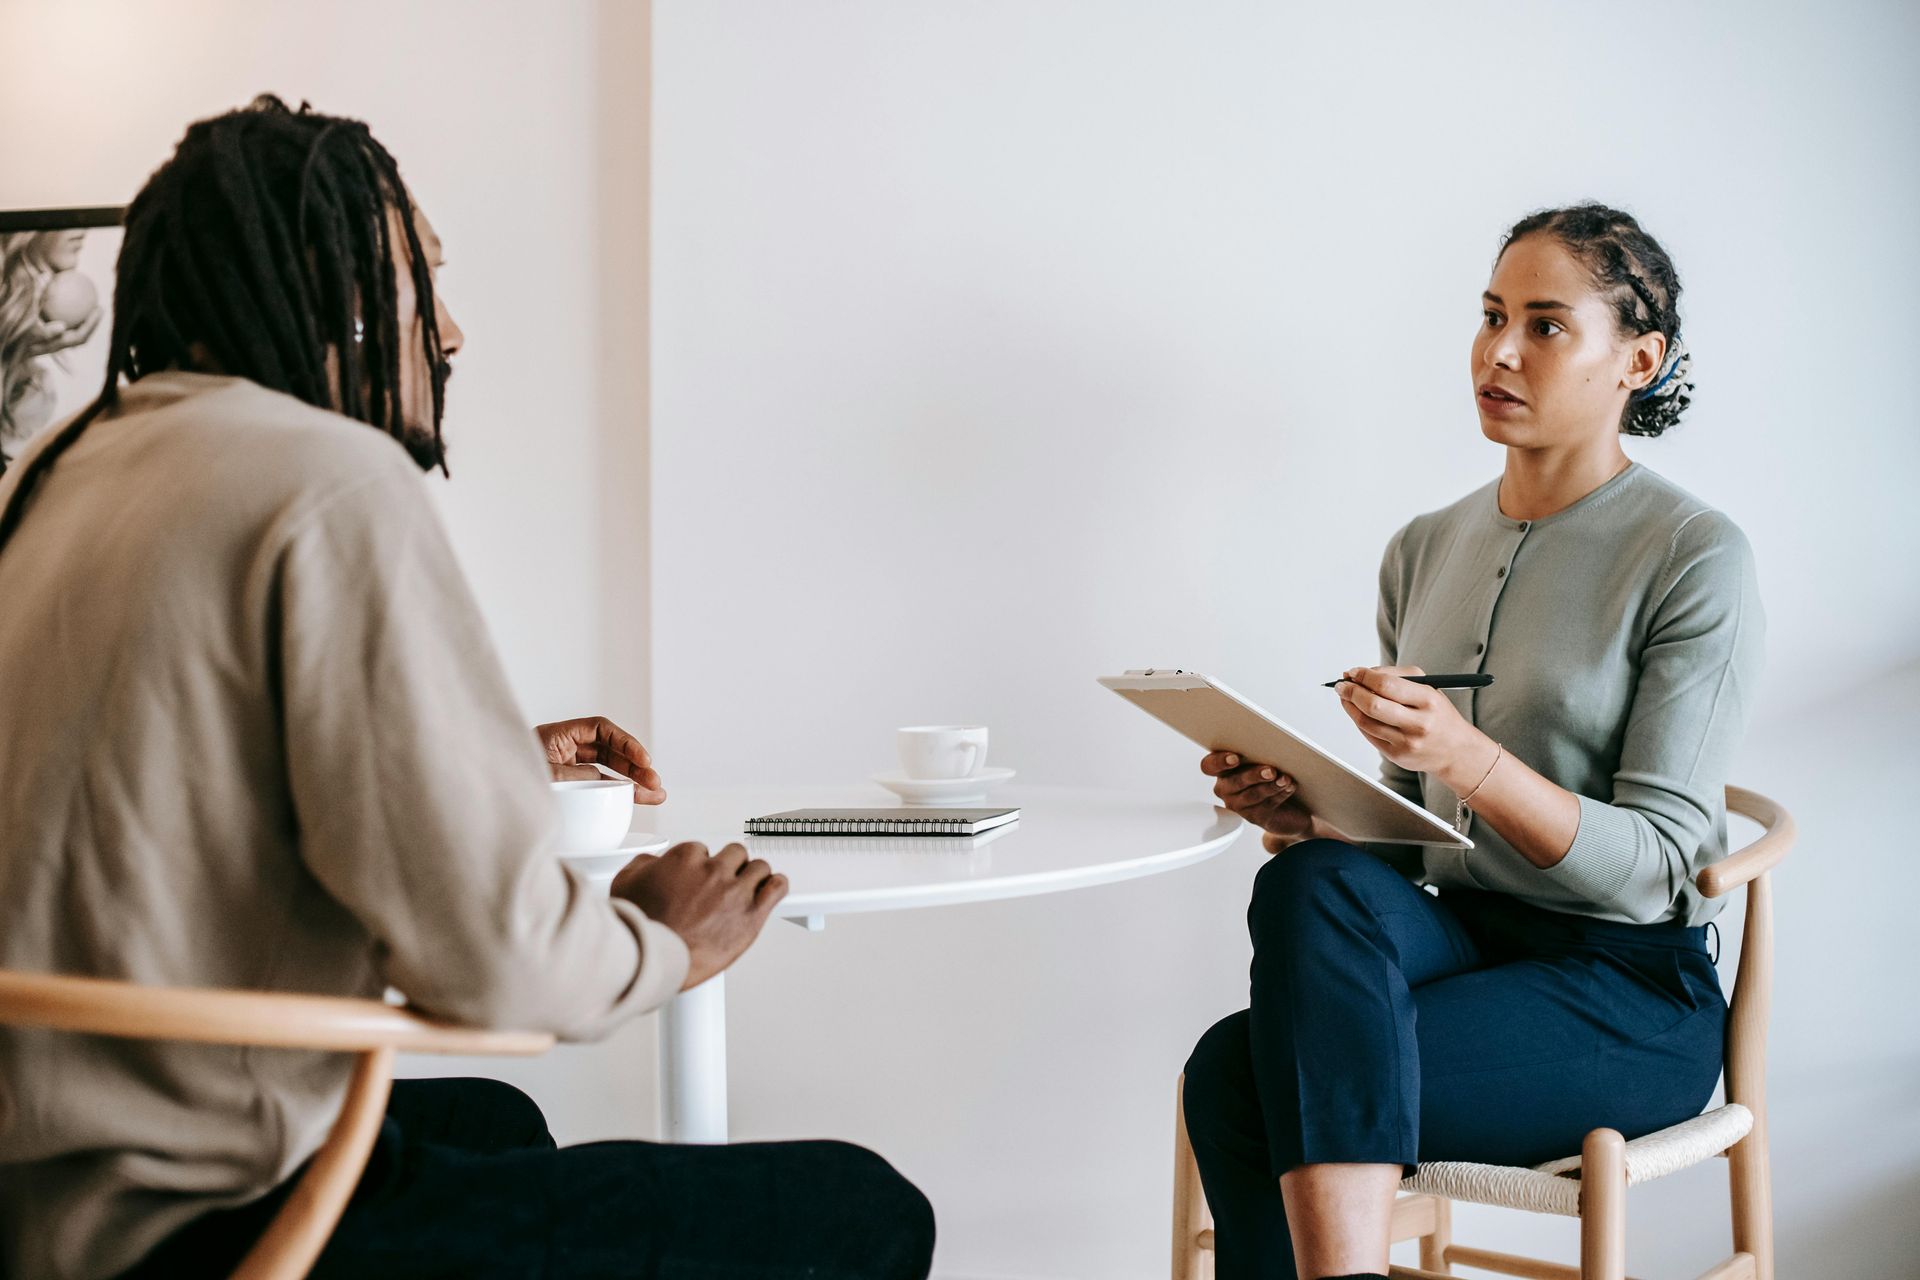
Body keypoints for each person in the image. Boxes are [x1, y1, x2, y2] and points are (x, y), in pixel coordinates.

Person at [0, 97, 934, 1280]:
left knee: (495, 1124)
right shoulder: (325, 476)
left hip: (42, 1192)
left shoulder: (63, 469)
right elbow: (498, 965)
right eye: (416, 279)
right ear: (333, 291)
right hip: (205, 1218)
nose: (447, 329)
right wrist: (653, 938)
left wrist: (472, 742)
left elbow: (161, 773)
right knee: (862, 1207)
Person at [1181, 204, 1762, 1280]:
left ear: (1640, 359)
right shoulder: (1424, 547)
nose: (1498, 350)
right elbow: (1413, 852)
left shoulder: (1693, 556)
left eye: (1546, 326)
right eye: (1492, 315)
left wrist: (1471, 760)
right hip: (1473, 942)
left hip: (1628, 992)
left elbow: (1659, 873)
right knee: (1308, 884)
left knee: (1239, 1072)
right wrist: (1309, 813)